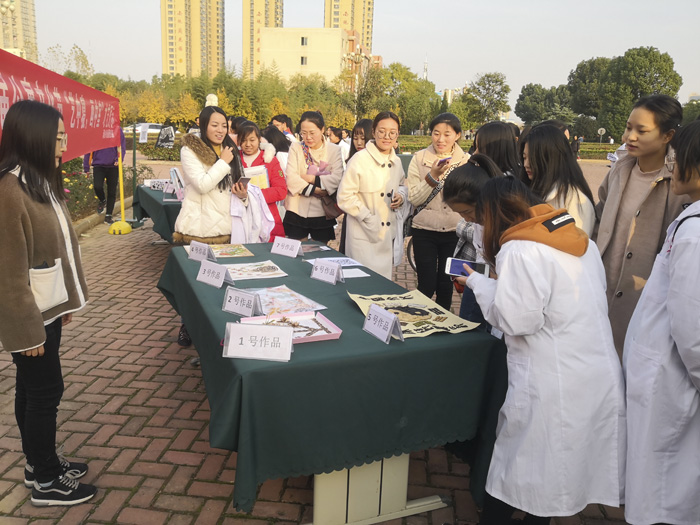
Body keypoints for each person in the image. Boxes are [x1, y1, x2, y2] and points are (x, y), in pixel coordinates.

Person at [462, 177, 625, 524]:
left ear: (494, 214)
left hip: (550, 381)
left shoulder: (520, 248)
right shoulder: (581, 242)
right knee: (555, 475)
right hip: (592, 372)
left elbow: (517, 319)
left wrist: (477, 282)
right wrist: (486, 283)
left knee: (519, 467)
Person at [0, 100, 97, 506]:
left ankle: (39, 462)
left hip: (46, 308)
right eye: (57, 138)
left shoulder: (38, 181)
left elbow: (58, 247)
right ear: (33, 138)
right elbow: (8, 274)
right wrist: (26, 333)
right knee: (45, 392)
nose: (64, 146)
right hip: (30, 319)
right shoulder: (10, 191)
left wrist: (65, 302)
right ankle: (46, 480)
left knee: (33, 389)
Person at [623, 120, 700, 525]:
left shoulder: (695, 233)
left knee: (665, 490)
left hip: (674, 378)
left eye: (679, 158)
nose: (674, 166)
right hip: (665, 373)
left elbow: (693, 330)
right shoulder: (691, 221)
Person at [594, 94, 688, 356]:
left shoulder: (677, 183)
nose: (630, 137)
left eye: (641, 131)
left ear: (667, 135)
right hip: (601, 289)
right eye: (628, 127)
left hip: (643, 300)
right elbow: (599, 216)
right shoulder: (619, 169)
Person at [173, 106, 273, 346]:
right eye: (214, 125)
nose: (220, 130)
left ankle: (217, 330)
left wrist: (243, 195)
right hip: (199, 229)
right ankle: (187, 325)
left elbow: (236, 186)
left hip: (229, 228)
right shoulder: (190, 150)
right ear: (203, 125)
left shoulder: (230, 149)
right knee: (197, 283)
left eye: (224, 126)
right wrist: (223, 162)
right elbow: (202, 184)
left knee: (224, 284)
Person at [406, 112, 469, 309]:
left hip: (454, 232)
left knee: (445, 284)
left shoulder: (466, 161)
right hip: (424, 230)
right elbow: (414, 197)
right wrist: (432, 176)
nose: (441, 139)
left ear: (457, 135)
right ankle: (419, 318)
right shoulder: (419, 158)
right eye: (436, 133)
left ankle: (443, 321)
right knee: (426, 284)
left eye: (447, 134)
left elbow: (470, 199)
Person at [337, 111, 409, 279]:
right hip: (363, 236)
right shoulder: (360, 159)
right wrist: (368, 218)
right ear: (374, 132)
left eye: (392, 132)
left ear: (397, 134)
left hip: (386, 237)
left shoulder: (396, 161)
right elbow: (344, 196)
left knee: (382, 287)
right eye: (382, 131)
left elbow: (402, 185)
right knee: (362, 284)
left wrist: (401, 196)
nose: (387, 136)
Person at [442, 154, 503, 324]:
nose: (466, 219)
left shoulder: (509, 234)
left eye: (467, 212)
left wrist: (481, 280)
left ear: (486, 200)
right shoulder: (480, 223)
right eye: (460, 214)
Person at [521, 124, 596, 235]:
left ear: (551, 158)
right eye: (524, 157)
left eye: (532, 158)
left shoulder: (572, 200)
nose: (526, 164)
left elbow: (576, 242)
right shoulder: (534, 191)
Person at [283, 111, 343, 243]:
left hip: (321, 211)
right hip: (297, 209)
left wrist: (311, 179)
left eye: (312, 133)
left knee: (320, 250)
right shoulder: (296, 147)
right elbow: (291, 177)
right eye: (303, 133)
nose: (308, 137)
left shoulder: (333, 150)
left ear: (322, 130)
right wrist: (315, 190)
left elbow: (337, 178)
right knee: (297, 249)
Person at [238, 122, 287, 241]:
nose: (248, 144)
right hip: (241, 217)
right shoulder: (234, 159)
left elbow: (281, 191)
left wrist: (252, 195)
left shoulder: (270, 160)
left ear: (259, 139)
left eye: (252, 140)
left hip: (267, 216)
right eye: (243, 140)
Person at [339, 118, 373, 254]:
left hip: (373, 218)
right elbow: (344, 195)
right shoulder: (352, 161)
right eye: (355, 138)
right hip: (354, 216)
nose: (359, 143)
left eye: (363, 138)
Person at [84, 127, 126, 224]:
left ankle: (108, 216)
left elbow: (122, 146)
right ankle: (103, 200)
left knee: (112, 191)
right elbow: (89, 149)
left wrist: (119, 159)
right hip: (98, 165)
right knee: (97, 186)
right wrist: (86, 167)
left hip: (113, 166)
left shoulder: (117, 129)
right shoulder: (95, 129)